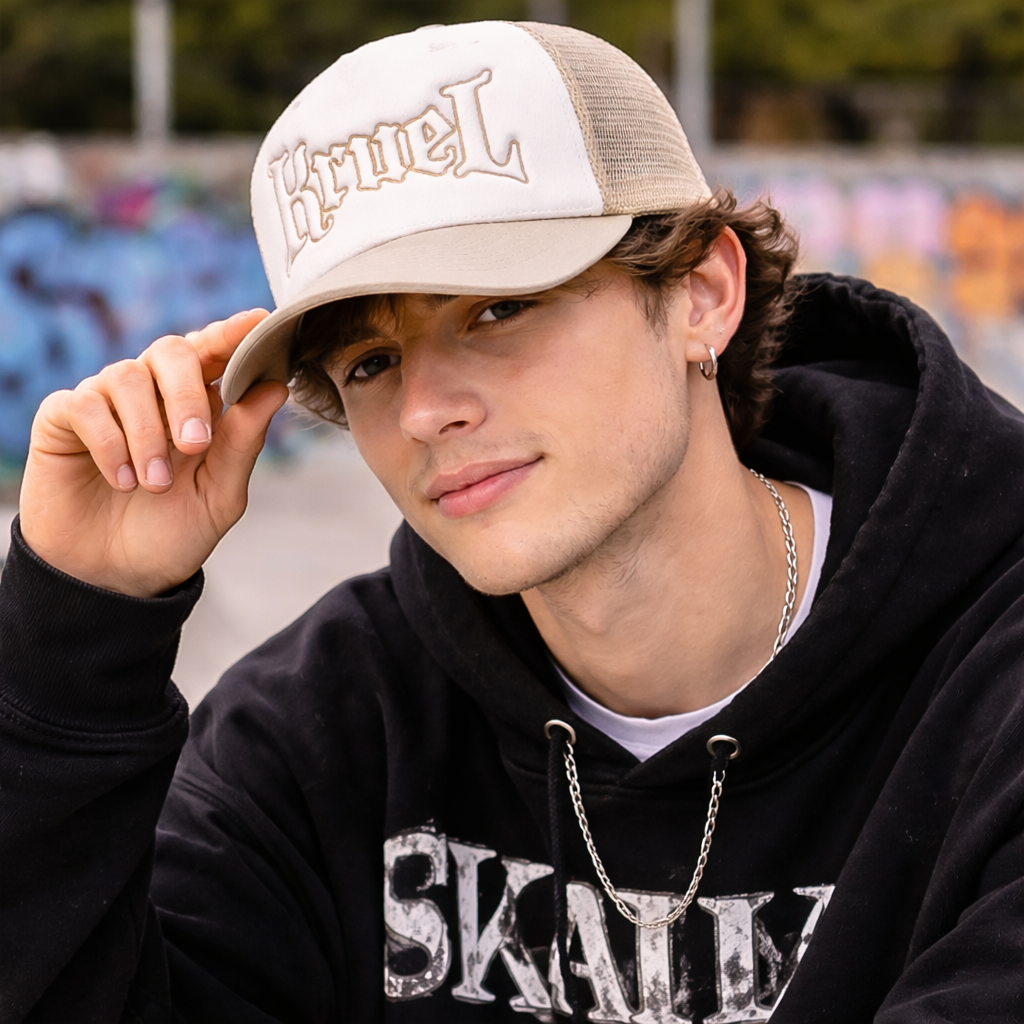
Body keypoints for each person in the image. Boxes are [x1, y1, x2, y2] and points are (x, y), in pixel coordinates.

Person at [1, 19, 1022, 1024]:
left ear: (704, 292)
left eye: (497, 308)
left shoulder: (987, 682)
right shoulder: (330, 723)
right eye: (369, 361)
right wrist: (79, 637)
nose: (423, 409)